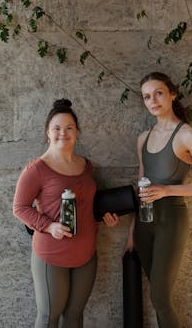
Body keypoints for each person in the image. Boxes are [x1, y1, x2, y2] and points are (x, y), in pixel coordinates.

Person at [124, 72, 192, 328]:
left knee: (160, 297)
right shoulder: (143, 138)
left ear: (172, 94)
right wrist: (132, 232)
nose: (152, 100)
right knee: (158, 298)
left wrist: (166, 191)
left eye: (158, 93)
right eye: (146, 96)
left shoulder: (188, 135)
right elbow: (140, 189)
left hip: (171, 222)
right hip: (145, 224)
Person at [13, 98, 118, 328]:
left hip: (86, 253)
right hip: (52, 254)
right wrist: (50, 226)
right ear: (47, 132)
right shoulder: (37, 169)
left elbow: (87, 204)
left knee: (74, 316)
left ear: (77, 131)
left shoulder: (86, 165)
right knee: (49, 315)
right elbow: (19, 208)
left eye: (69, 127)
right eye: (57, 128)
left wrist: (105, 216)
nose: (63, 133)